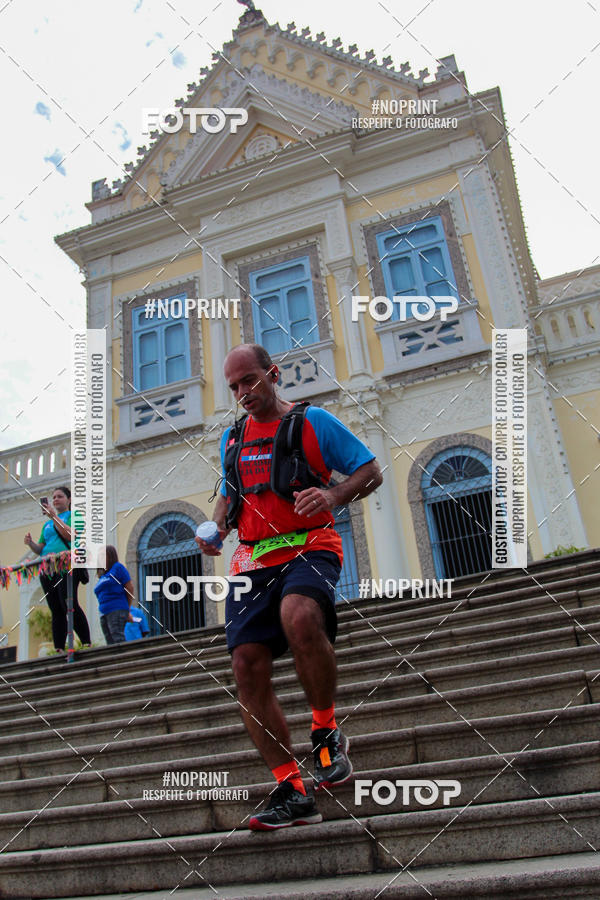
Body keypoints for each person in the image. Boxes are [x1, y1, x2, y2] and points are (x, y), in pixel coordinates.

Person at [195, 343, 382, 830]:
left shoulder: (313, 422)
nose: (242, 393)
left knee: (298, 616)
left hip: (311, 544)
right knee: (244, 664)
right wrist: (216, 527)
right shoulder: (233, 437)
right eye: (233, 386)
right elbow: (230, 491)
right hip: (254, 557)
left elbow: (370, 470)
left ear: (273, 374)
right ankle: (291, 789)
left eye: (250, 381)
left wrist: (334, 492)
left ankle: (324, 731)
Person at [24, 486, 91, 652]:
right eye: (53, 497)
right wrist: (31, 544)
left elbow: (71, 535)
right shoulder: (47, 525)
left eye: (59, 496)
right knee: (55, 607)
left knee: (68, 602)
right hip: (48, 568)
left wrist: (54, 517)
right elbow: (41, 548)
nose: (55, 500)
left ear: (68, 500)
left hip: (66, 564)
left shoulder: (74, 515)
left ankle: (86, 641)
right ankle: (59, 647)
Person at [94, 545, 135, 645]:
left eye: (103, 555)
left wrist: (127, 609)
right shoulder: (103, 575)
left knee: (118, 638)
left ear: (110, 555)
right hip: (104, 613)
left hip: (116, 609)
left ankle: (124, 660)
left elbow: (129, 588)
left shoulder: (118, 568)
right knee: (110, 642)